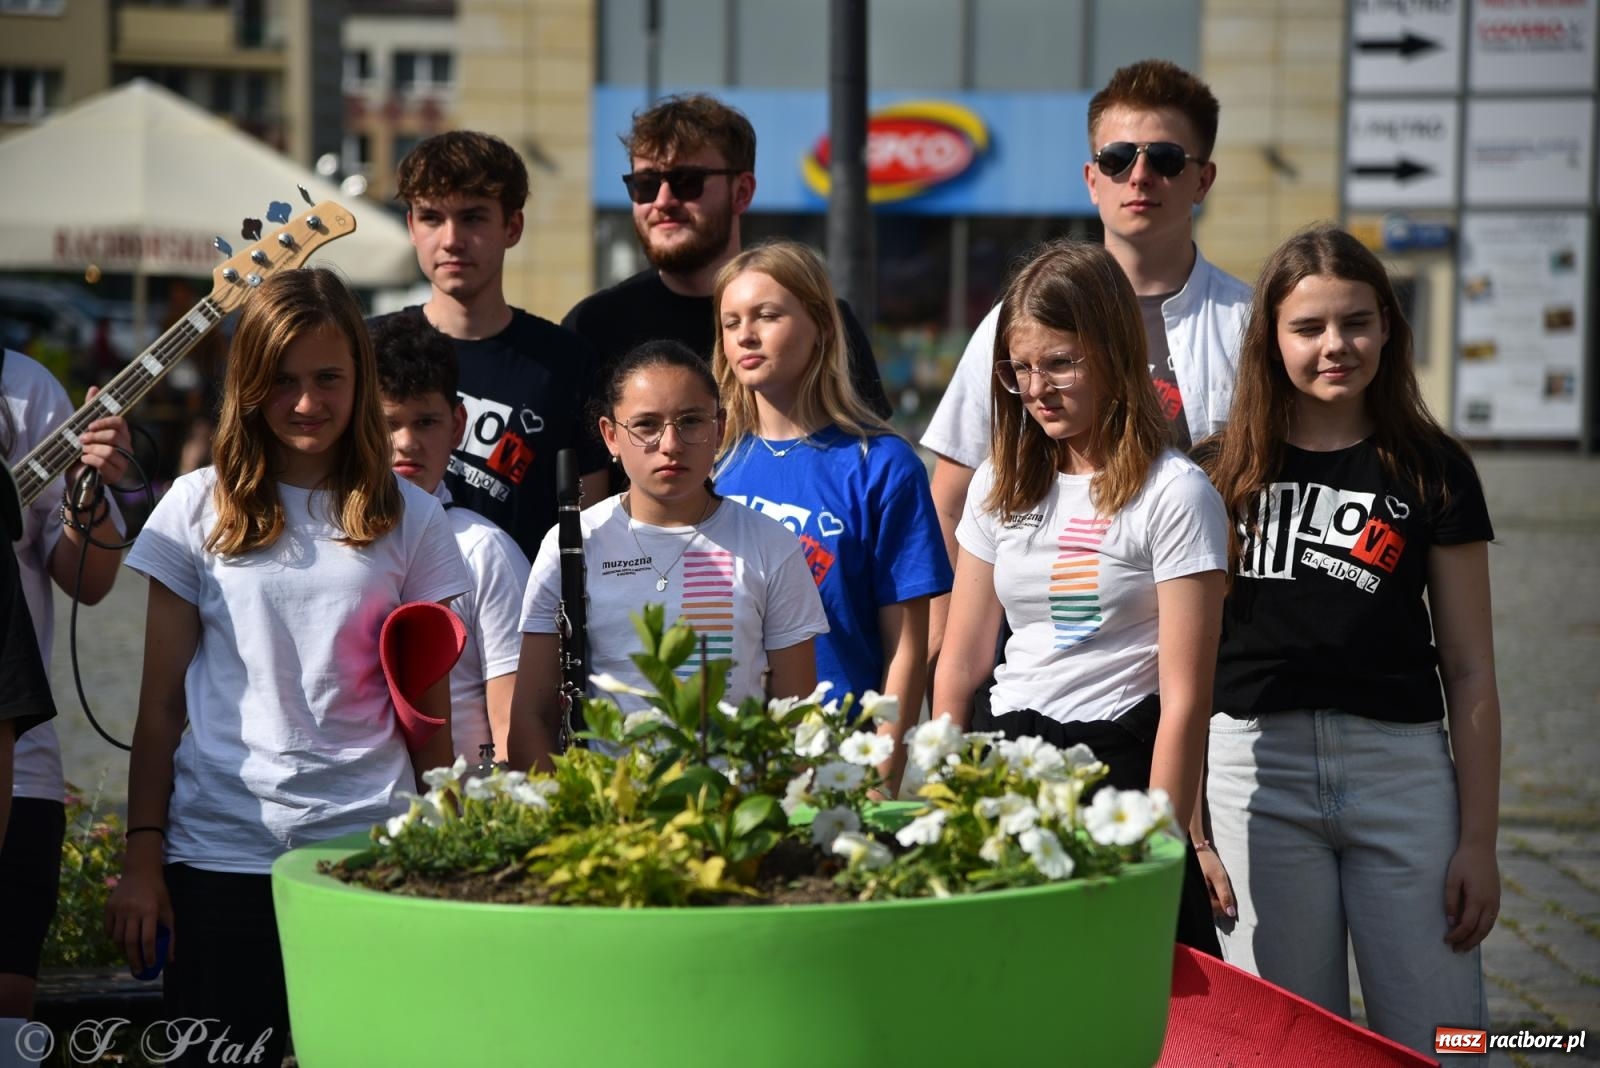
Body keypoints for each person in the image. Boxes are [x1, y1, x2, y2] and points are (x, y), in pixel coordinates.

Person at [106, 270, 470, 1066]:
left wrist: (445, 853)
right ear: (247, 384)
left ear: (360, 379)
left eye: (328, 378)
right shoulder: (194, 506)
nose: (306, 402)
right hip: (217, 855)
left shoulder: (414, 517)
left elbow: (429, 719)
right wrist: (142, 857)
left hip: (368, 853)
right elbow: (159, 709)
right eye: (283, 380)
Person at [1196, 225, 1500, 1055]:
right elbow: (1180, 666)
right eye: (1309, 327)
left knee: (1443, 1040)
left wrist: (1478, 840)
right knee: (1288, 1046)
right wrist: (1193, 825)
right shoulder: (1215, 472)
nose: (1336, 344)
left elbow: (1471, 669)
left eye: (1357, 322)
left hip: (1402, 776)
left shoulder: (1434, 468)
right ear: (1271, 339)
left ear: (1388, 329)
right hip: (1255, 777)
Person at [929, 239, 1227, 955]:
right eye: (1020, 369)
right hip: (1005, 762)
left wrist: (1159, 839)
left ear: (1115, 354)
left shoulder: (1176, 492)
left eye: (1060, 363)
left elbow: (1185, 697)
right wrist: (942, 789)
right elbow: (962, 662)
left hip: (1114, 768)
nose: (1037, 389)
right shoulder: (998, 482)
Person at [921, 59, 1250, 666]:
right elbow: (951, 497)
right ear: (1092, 179)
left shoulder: (1250, 325)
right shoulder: (1012, 320)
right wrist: (943, 652)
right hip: (1046, 667)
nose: (1140, 175)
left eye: (1166, 159)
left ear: (1203, 180)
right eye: (1117, 158)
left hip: (1220, 661)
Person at [509, 340, 828, 771]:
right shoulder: (572, 543)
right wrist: (571, 805)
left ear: (720, 427)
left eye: (691, 421)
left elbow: (796, 717)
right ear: (611, 436)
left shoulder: (770, 544)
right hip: (606, 803)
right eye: (646, 425)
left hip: (733, 805)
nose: (671, 444)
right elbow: (530, 716)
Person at [710, 242, 950, 795]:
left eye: (767, 315)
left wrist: (879, 778)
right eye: (731, 322)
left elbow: (906, 648)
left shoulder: (881, 464)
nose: (746, 335)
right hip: (723, 757)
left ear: (820, 325)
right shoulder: (710, 464)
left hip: (839, 756)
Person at [562, 93, 890, 422]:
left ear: (742, 192)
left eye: (686, 182)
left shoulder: (816, 319)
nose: (663, 201)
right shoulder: (594, 325)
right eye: (645, 184)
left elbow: (869, 444)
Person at [373, 130, 610, 560]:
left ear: (512, 226)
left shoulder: (565, 360)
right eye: (431, 218)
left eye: (473, 218)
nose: (451, 239)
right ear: (411, 227)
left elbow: (589, 524)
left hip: (521, 598)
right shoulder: (366, 347)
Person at [1, 347, 129, 1023]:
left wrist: (88, 489)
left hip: (19, 767)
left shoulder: (22, 389)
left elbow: (90, 582)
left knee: (7, 1007)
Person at [372, 312, 531, 765]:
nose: (407, 442)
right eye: (387, 423)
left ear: (458, 424)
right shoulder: (326, 539)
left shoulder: (487, 550)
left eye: (425, 422)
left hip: (462, 804)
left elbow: (513, 722)